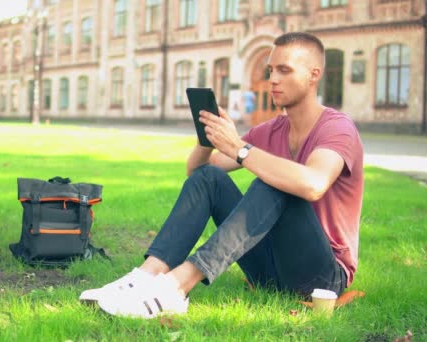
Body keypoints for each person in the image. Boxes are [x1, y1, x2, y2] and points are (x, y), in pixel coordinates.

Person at [80, 32, 364, 319]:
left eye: (284, 70)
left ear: (314, 75)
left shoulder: (337, 128)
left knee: (273, 184)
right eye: (270, 70)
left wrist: (240, 149)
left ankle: (177, 287)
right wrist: (208, 139)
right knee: (209, 179)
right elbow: (199, 174)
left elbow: (313, 184)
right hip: (268, 269)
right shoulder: (272, 130)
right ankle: (145, 276)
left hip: (322, 279)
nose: (273, 79)